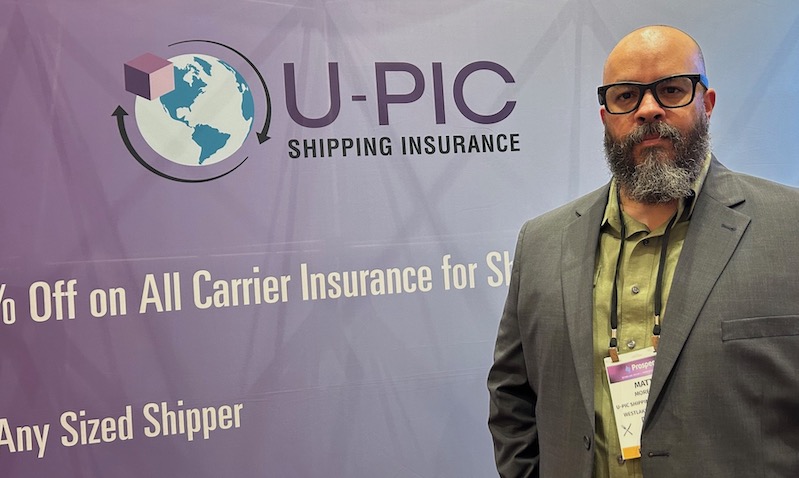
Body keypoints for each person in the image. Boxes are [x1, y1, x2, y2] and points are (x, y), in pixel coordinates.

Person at [487, 25, 799, 478]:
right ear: (605, 116)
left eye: (671, 90)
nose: (648, 109)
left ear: (707, 103)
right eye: (626, 96)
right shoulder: (541, 243)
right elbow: (512, 398)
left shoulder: (789, 228)